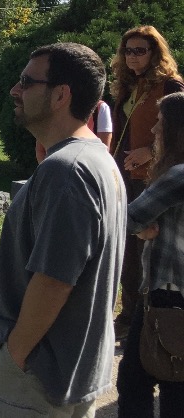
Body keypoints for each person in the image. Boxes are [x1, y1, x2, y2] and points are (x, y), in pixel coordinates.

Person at [0, 42, 126, 417]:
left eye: (27, 82)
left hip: (36, 378)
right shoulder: (95, 158)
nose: (15, 90)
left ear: (61, 95)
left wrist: (15, 354)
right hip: (68, 373)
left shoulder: (68, 170)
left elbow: (54, 280)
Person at [109, 25, 184, 340]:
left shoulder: (171, 85)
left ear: (155, 53)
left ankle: (144, 322)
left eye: (140, 50)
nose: (132, 56)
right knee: (127, 250)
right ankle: (129, 317)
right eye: (128, 51)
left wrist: (149, 152)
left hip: (156, 175)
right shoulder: (128, 85)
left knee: (146, 248)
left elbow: (178, 131)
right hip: (124, 174)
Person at [116, 91, 184, 418]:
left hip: (167, 295)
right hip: (171, 294)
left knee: (142, 381)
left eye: (160, 123)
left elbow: (128, 218)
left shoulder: (177, 176)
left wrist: (140, 230)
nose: (154, 130)